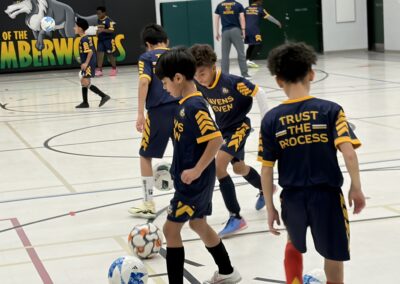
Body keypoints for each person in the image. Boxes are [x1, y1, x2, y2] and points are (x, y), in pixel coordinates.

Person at [259, 42, 366, 284]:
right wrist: (356, 187)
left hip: (293, 197)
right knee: (333, 254)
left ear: (278, 80)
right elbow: (349, 153)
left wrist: (270, 207)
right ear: (311, 73)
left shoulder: (271, 120)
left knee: (293, 243)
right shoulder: (331, 111)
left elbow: (266, 169)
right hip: (327, 196)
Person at [155, 47, 241, 284]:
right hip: (195, 181)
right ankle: (227, 271)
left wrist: (196, 170)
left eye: (165, 82)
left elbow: (215, 139)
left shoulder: (194, 106)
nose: (164, 87)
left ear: (179, 78)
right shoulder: (185, 104)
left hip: (194, 184)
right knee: (198, 224)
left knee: (170, 231)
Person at [189, 44, 273, 238]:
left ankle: (236, 217)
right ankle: (265, 188)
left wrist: (266, 125)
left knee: (219, 166)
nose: (198, 78)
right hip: (223, 131)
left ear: (213, 67)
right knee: (239, 168)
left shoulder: (232, 82)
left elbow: (260, 93)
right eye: (195, 75)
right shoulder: (199, 84)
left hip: (239, 127)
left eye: (202, 73)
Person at [128, 24, 179, 219]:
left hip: (158, 112)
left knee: (145, 155)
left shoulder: (147, 57)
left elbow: (144, 81)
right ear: (167, 41)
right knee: (182, 152)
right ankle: (183, 199)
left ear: (148, 44)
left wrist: (140, 113)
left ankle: (148, 202)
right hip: (182, 108)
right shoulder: (177, 54)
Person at [74, 18, 110, 109]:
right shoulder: (85, 38)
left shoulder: (84, 39)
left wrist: (86, 63)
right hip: (89, 62)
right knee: (83, 81)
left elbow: (89, 52)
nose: (74, 28)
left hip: (89, 63)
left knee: (85, 81)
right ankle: (85, 102)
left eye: (76, 26)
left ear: (80, 29)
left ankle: (103, 96)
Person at [215, 0, 251, 79]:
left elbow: (217, 19)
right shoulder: (238, 5)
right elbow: (242, 17)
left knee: (224, 55)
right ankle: (245, 74)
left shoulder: (220, 5)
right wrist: (243, 30)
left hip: (225, 32)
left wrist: (217, 32)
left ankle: (224, 76)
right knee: (241, 53)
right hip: (236, 31)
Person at [245, 0, 281, 68]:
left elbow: (241, 18)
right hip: (254, 30)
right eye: (261, 1)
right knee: (258, 45)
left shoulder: (246, 9)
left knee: (251, 45)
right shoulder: (260, 9)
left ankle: (247, 60)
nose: (262, 2)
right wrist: (277, 22)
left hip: (246, 30)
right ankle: (250, 60)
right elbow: (269, 17)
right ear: (257, 1)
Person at [95, 6, 117, 76]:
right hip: (100, 40)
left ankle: (114, 69)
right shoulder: (98, 20)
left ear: (104, 13)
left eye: (99, 13)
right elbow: (98, 29)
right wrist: (96, 33)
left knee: (110, 55)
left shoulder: (109, 20)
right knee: (99, 54)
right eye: (97, 14)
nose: (98, 15)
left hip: (108, 40)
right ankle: (99, 70)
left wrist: (103, 30)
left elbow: (112, 30)